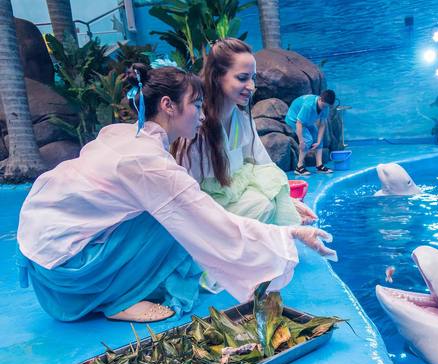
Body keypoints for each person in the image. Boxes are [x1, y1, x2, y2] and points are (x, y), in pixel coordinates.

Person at [16, 63, 336, 323]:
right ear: (168, 105)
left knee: (176, 211)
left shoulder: (128, 135)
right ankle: (119, 300)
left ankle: (122, 285)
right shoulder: (147, 161)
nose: (202, 114)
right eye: (196, 105)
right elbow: (209, 218)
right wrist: (288, 233)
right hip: (69, 272)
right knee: (177, 220)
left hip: (48, 260)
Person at [173, 39, 316, 226]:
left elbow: (263, 164)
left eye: (253, 78)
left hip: (236, 197)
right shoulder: (195, 126)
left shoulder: (241, 119)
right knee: (262, 206)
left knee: (270, 201)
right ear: (217, 77)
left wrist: (289, 204)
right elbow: (187, 196)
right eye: (242, 78)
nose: (251, 86)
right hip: (205, 213)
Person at [285, 89, 336, 176]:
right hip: (293, 120)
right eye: (323, 105)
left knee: (318, 140)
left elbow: (322, 124)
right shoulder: (308, 105)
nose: (324, 108)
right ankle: (299, 167)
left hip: (307, 121)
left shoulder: (325, 107)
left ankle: (319, 166)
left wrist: (318, 141)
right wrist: (301, 141)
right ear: (320, 99)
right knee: (307, 140)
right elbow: (299, 123)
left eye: (326, 106)